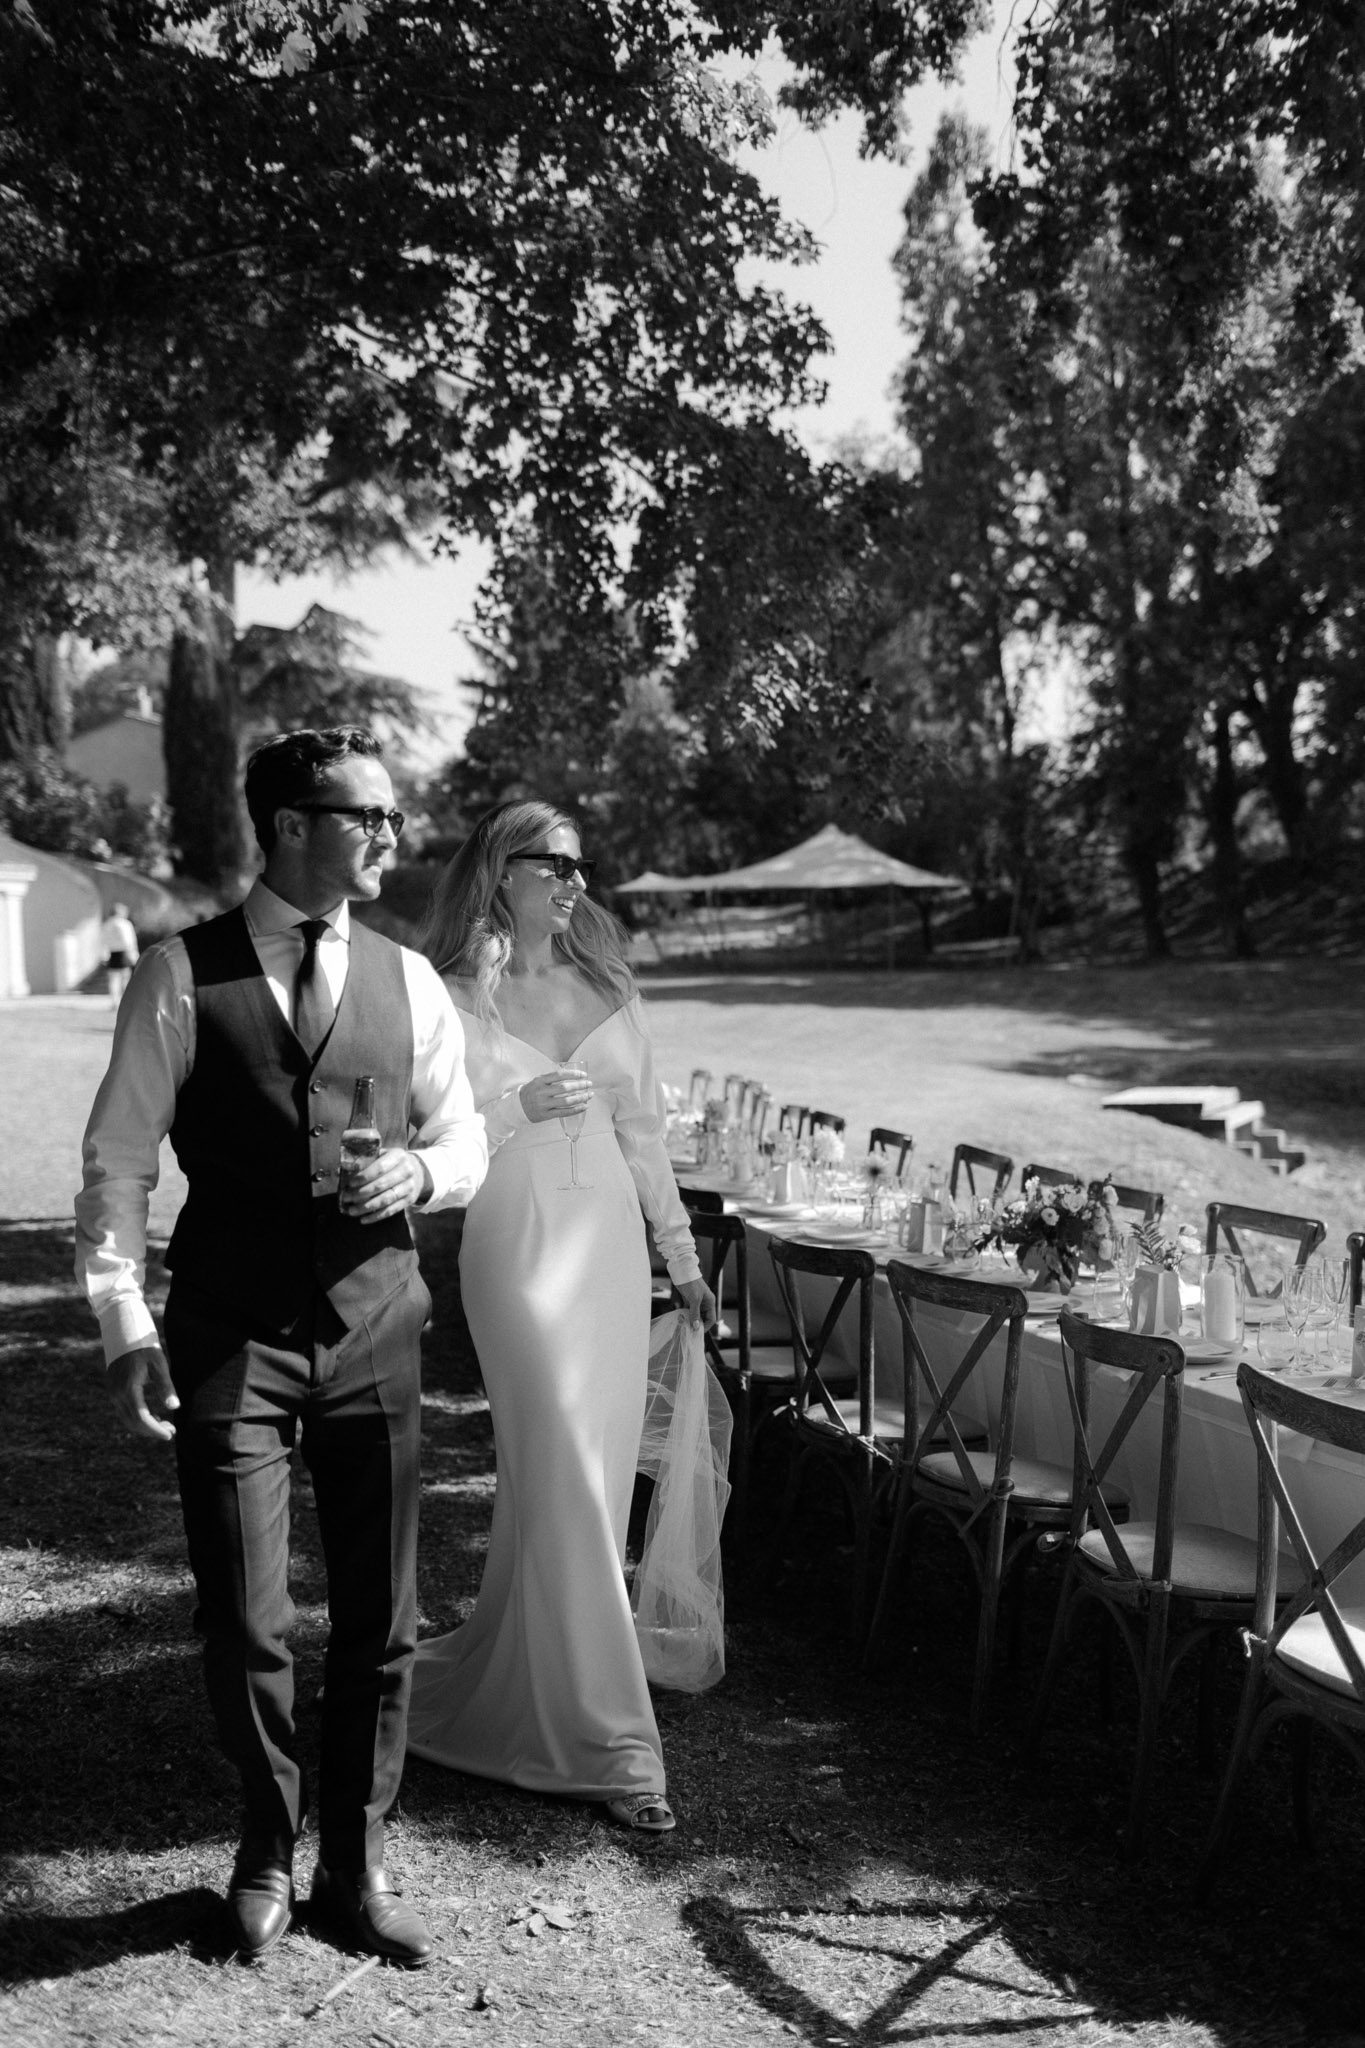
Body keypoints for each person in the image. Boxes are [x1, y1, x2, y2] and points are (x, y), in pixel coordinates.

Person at [75, 727, 488, 1966]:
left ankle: (354, 1869)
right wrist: (121, 1319)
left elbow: (465, 1138)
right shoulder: (176, 975)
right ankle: (266, 1841)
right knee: (245, 1615)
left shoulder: (410, 981)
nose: (391, 837)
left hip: (375, 1323)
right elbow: (118, 1163)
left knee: (382, 1614)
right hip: (227, 1334)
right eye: (370, 815)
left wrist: (418, 1165)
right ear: (294, 823)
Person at [405, 800, 716, 1834]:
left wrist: (682, 1259)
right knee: (568, 1474)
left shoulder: (610, 991)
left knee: (574, 1483)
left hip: (611, 1257)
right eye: (556, 864)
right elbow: (433, 1146)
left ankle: (524, 1677)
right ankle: (616, 1743)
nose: (576, 883)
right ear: (503, 868)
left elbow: (648, 1144)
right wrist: (506, 1111)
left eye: (583, 866)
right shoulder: (450, 996)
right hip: (515, 1251)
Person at [100, 900, 139, 1010]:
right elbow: (129, 940)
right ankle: (125, 1001)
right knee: (125, 979)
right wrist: (133, 953)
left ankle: (114, 1002)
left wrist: (104, 955)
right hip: (123, 952)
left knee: (113, 979)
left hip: (112, 953)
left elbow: (103, 941)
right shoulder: (125, 924)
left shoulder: (107, 924)